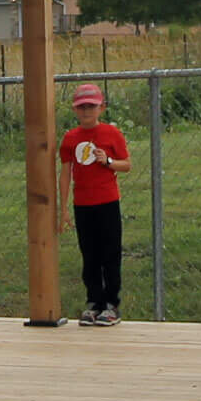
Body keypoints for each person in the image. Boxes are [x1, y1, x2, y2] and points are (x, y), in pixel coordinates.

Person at [55, 83, 131, 326]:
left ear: (102, 108)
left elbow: (126, 164)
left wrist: (107, 160)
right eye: (82, 107)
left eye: (91, 106)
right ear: (75, 110)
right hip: (83, 204)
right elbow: (65, 173)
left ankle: (111, 305)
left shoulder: (111, 134)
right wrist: (64, 208)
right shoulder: (70, 138)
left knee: (110, 253)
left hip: (107, 202)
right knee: (89, 255)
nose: (87, 111)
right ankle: (94, 302)